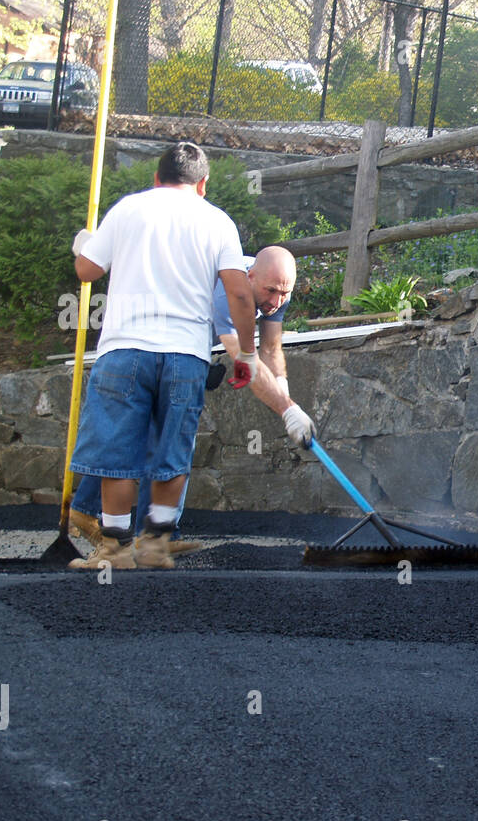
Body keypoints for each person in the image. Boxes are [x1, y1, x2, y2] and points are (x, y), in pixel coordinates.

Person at [66, 141, 260, 571]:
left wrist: (85, 242)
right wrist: (246, 352)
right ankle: (154, 544)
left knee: (117, 454)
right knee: (173, 450)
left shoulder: (128, 209)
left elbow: (87, 271)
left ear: (156, 177)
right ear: (202, 184)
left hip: (124, 349)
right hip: (185, 355)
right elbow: (240, 293)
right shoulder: (217, 222)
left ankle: (114, 550)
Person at [68, 245, 315, 552]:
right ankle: (119, 524)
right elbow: (243, 356)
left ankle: (146, 532)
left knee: (162, 438)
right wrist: (286, 410)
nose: (277, 301)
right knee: (149, 435)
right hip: (153, 343)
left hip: (188, 347)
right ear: (250, 277)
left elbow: (271, 348)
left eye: (284, 292)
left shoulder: (275, 289)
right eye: (271, 291)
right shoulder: (228, 289)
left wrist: (283, 391)